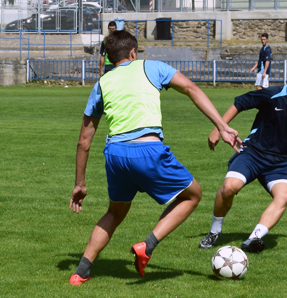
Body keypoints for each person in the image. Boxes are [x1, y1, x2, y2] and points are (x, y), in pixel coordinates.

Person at [69, 30, 242, 285]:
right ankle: (147, 246)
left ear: (109, 58)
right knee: (193, 195)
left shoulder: (102, 83)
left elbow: (84, 141)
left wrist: (80, 184)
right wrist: (223, 126)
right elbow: (191, 89)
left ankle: (80, 272)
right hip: (147, 151)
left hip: (115, 155)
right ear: (132, 52)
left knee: (115, 212)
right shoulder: (152, 67)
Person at [199, 54, 287, 253]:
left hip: (280, 163)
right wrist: (219, 129)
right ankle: (214, 231)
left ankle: (253, 239)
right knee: (229, 187)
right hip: (253, 154)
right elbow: (240, 103)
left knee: (284, 196)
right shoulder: (272, 94)